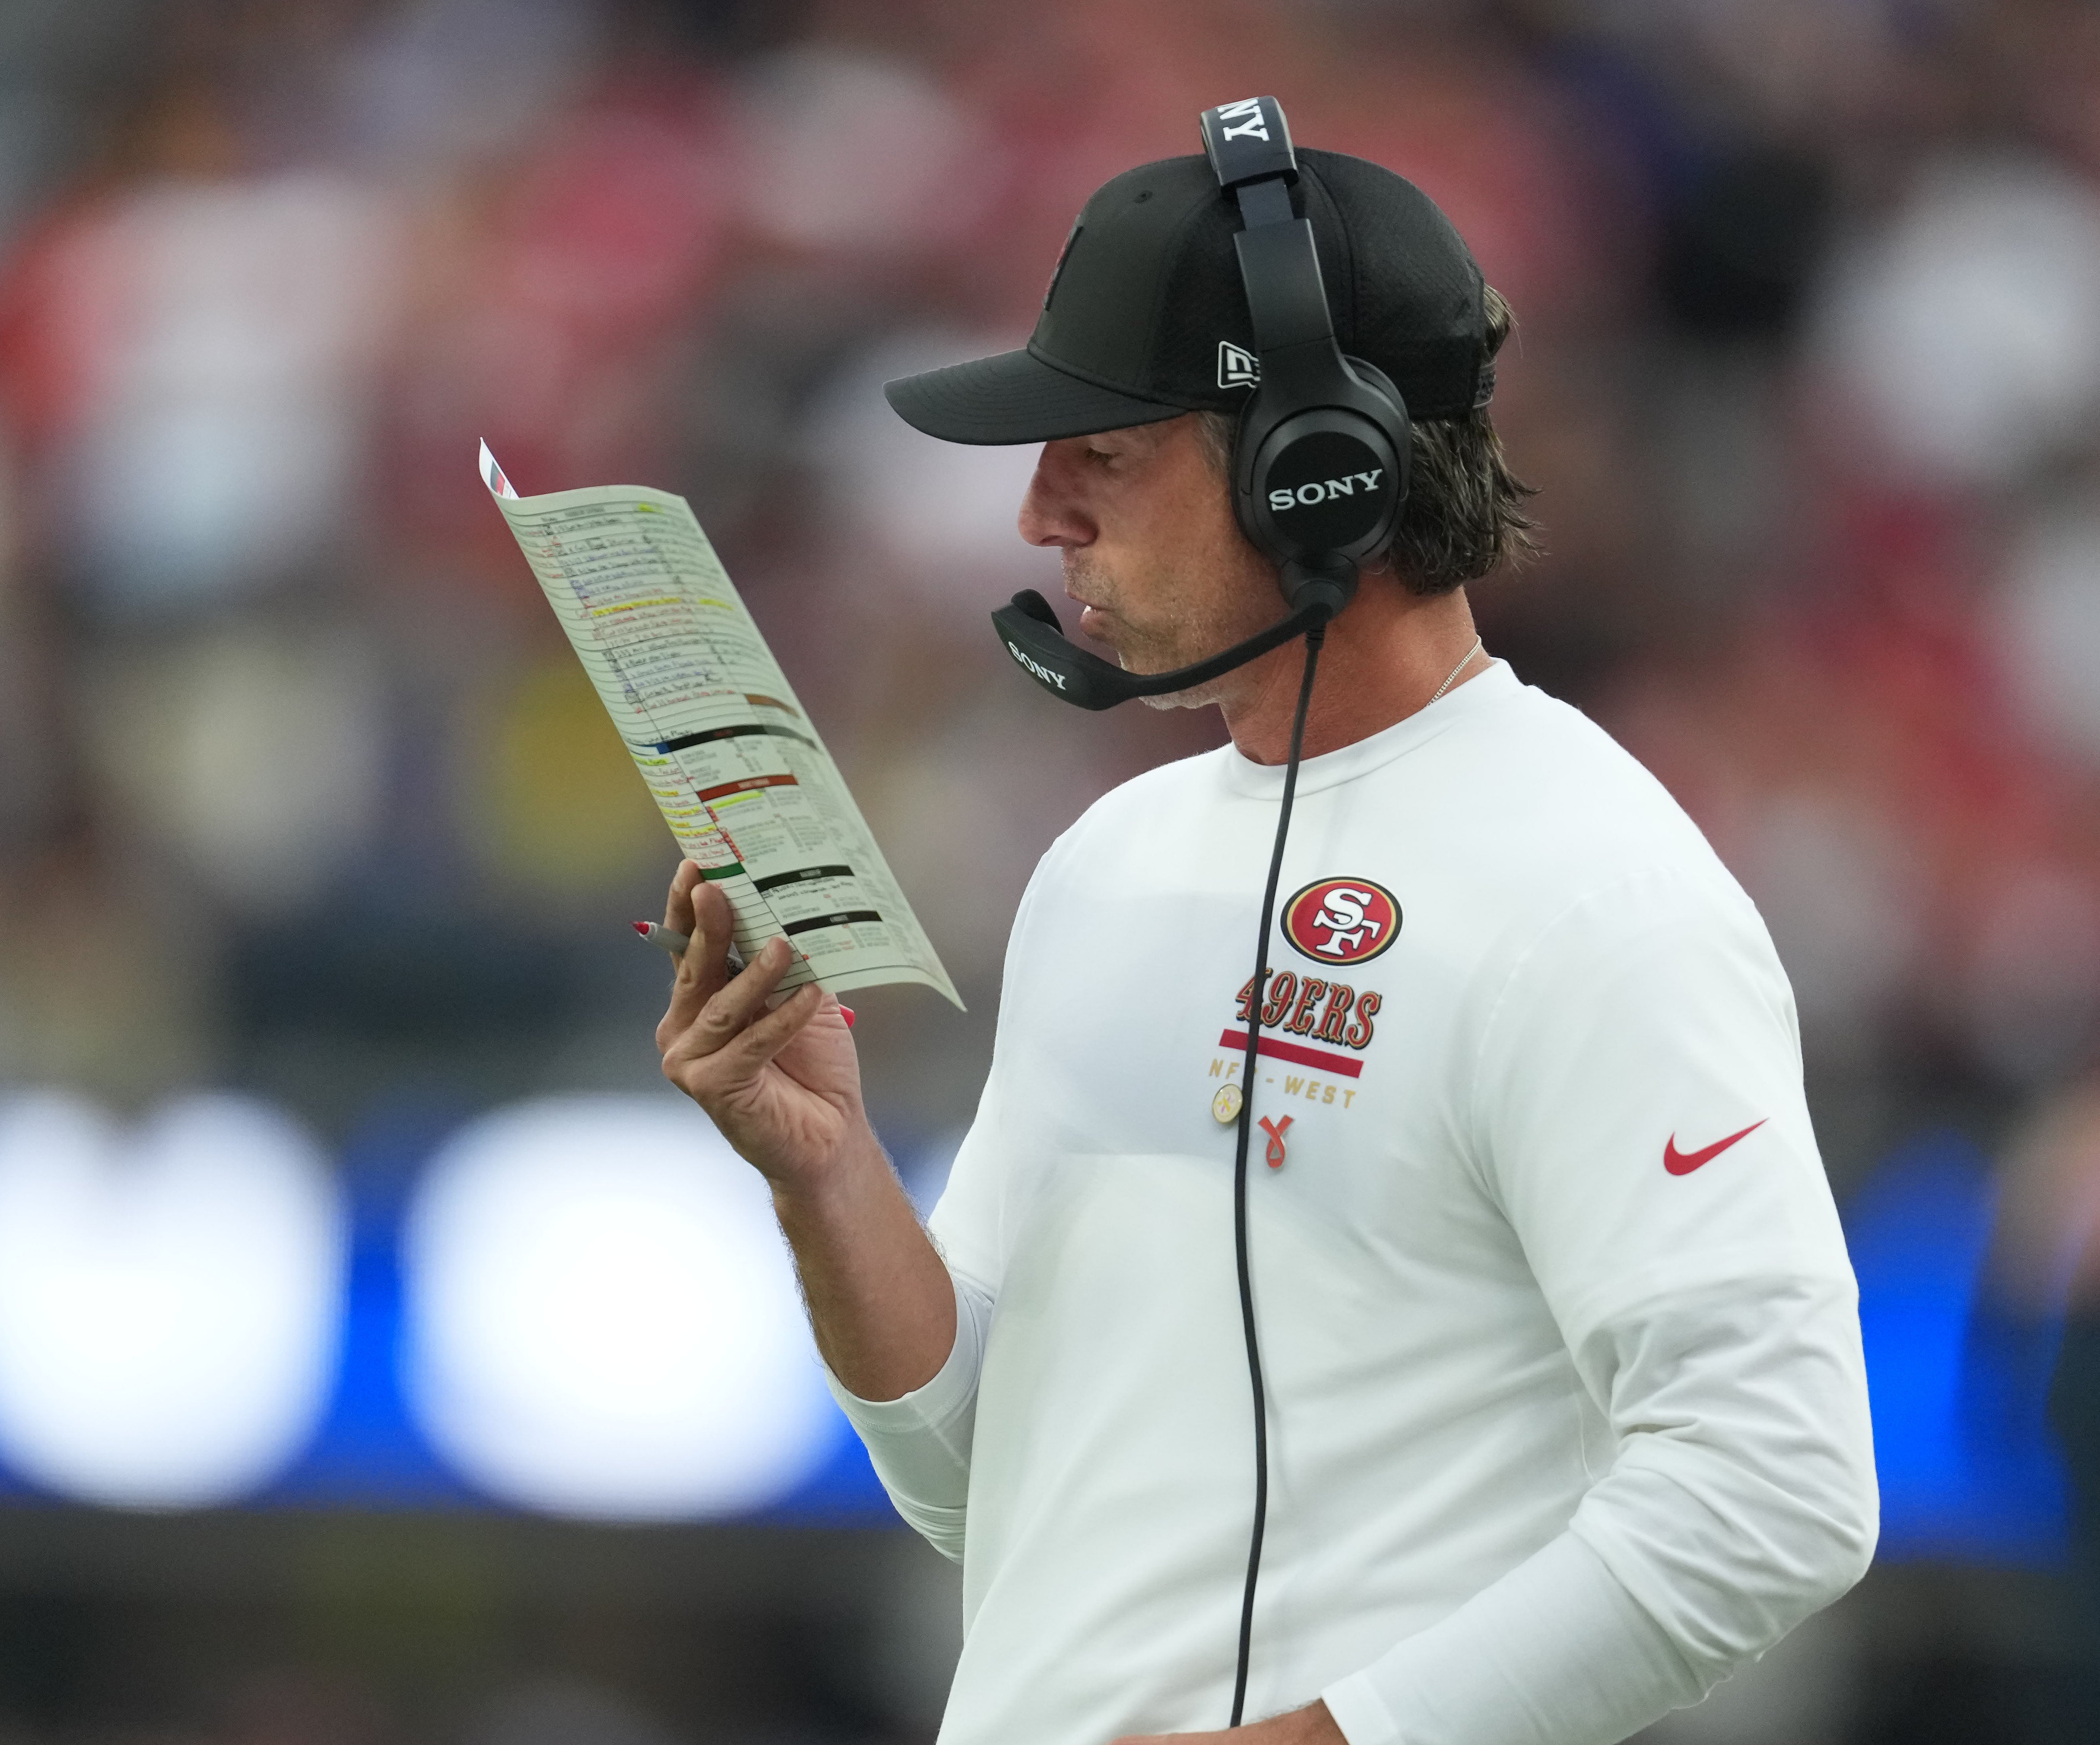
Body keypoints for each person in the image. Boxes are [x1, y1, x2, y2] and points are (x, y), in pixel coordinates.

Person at [653, 139, 1878, 1745]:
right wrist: (825, 1175)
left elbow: (1776, 1485)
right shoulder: (1108, 861)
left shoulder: (1593, 884)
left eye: (1100, 454)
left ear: (1317, 468)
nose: (1035, 512)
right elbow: (974, 1483)